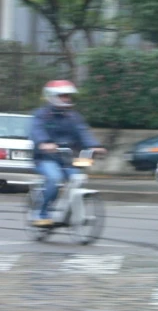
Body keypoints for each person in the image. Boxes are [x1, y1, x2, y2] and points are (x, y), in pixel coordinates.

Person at [28, 80, 106, 227]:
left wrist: (95, 146)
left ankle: (68, 211)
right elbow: (36, 131)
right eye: (63, 96)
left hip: (67, 159)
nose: (67, 99)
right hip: (45, 159)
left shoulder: (73, 117)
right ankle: (41, 212)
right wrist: (44, 143)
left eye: (68, 96)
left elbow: (83, 132)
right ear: (51, 96)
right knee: (54, 178)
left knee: (78, 178)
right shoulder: (42, 115)